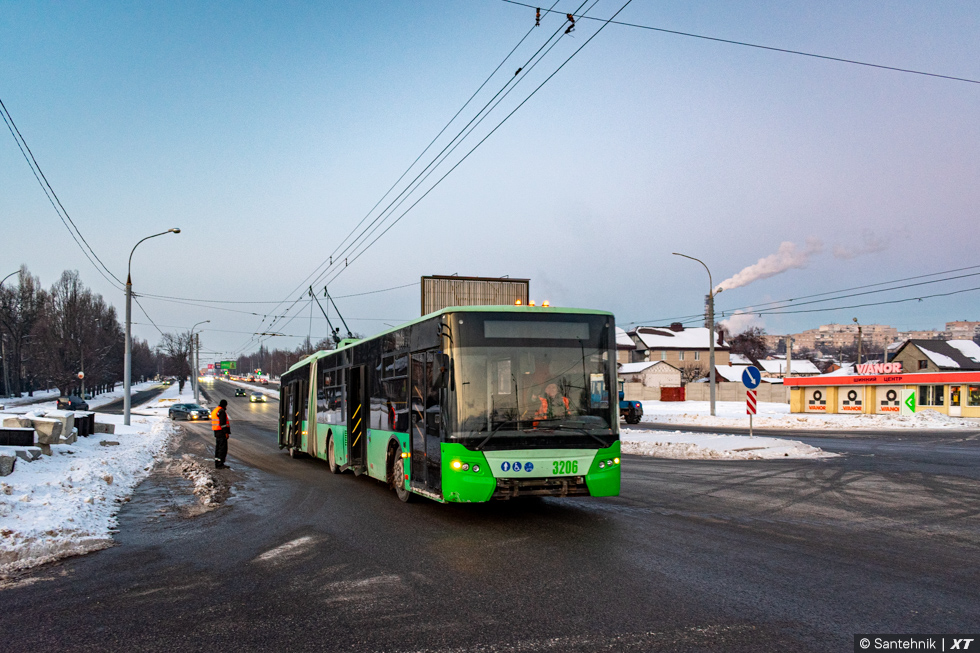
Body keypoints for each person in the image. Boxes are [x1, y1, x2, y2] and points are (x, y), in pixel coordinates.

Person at [210, 399, 231, 469]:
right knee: (222, 448)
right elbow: (223, 424)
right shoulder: (221, 411)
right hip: (221, 432)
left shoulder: (215, 410)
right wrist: (226, 433)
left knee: (218, 448)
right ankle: (220, 464)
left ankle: (217, 462)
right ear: (224, 405)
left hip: (216, 431)